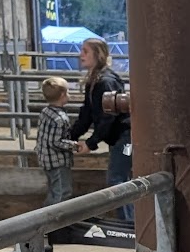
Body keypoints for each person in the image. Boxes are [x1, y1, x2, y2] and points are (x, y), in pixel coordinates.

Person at [68, 37, 131, 222]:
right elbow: (86, 114)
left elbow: (108, 118)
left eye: (85, 51)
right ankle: (129, 223)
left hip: (126, 138)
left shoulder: (105, 82)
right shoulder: (95, 81)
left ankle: (130, 226)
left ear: (97, 54)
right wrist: (70, 136)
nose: (81, 55)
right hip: (118, 137)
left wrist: (90, 143)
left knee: (117, 180)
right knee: (119, 178)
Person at [34, 76, 76, 205]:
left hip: (46, 159)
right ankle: (55, 220)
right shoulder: (60, 118)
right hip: (58, 162)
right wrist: (74, 145)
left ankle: (47, 217)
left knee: (54, 190)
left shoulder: (45, 112)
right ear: (63, 95)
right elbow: (56, 142)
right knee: (63, 192)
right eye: (68, 92)